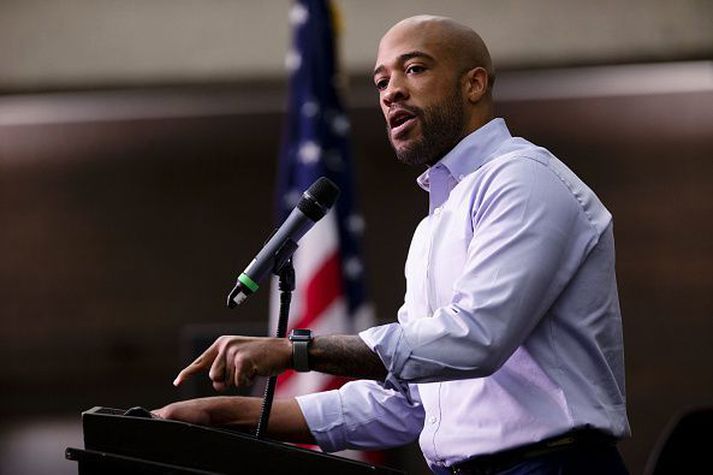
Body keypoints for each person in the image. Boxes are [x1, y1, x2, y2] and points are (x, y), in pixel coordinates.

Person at [155, 15, 630, 474]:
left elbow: (477, 338)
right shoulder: (434, 225)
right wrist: (224, 414)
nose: (391, 92)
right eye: (381, 82)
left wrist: (298, 351)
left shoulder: (522, 180)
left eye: (415, 68)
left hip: (553, 465)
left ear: (475, 84)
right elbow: (406, 402)